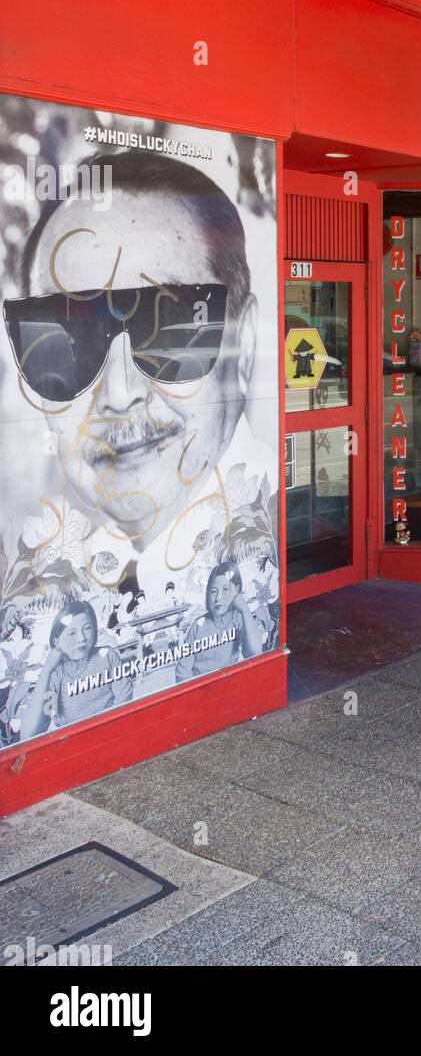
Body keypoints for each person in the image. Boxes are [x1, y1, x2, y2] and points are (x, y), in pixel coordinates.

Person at [0, 148, 279, 739]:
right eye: (67, 338)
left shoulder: (284, 524)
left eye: (170, 326)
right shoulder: (28, 576)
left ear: (245, 342)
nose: (120, 392)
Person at [20, 601, 132, 738]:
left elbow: (124, 698)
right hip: (74, 739)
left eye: (87, 628)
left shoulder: (107, 656)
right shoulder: (56, 673)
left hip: (111, 731)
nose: (81, 639)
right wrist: (47, 670)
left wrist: (108, 729)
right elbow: (30, 733)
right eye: (71, 633)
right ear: (56, 641)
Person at [174, 561, 263, 682]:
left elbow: (255, 653)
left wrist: (244, 610)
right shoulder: (199, 625)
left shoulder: (238, 618)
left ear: (236, 591)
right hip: (201, 687)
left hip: (228, 683)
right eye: (213, 591)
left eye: (226, 589)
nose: (218, 598)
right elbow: (182, 672)